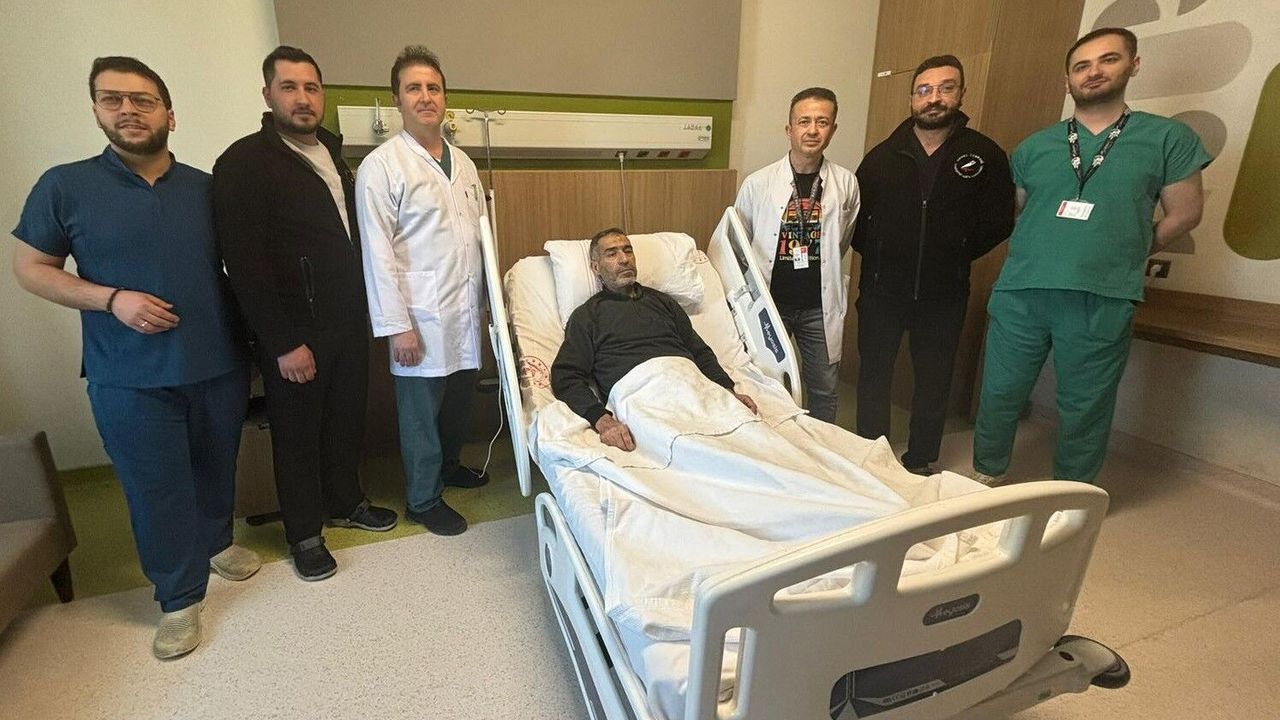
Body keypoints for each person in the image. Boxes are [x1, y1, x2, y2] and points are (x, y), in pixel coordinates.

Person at [11, 56, 259, 659]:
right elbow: (31, 268)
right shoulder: (65, 186)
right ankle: (178, 598)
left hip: (217, 363)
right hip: (128, 374)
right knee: (156, 489)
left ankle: (216, 543)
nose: (128, 110)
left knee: (216, 468)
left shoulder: (206, 188)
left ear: (169, 115)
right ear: (96, 110)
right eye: (113, 99)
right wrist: (110, 299)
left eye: (143, 100)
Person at [971, 27, 1210, 485]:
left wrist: (1126, 249)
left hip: (1102, 294)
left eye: (1108, 59)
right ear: (1068, 81)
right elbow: (1017, 214)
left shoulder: (1167, 138)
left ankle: (1071, 494)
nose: (1093, 71)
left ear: (1133, 65)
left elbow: (1185, 214)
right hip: (1023, 289)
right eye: (1081, 66)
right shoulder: (1033, 147)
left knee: (1085, 404)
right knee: (999, 392)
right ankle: (985, 474)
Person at [213, 46, 397, 581]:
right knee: (297, 435)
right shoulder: (244, 163)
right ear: (268, 94)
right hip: (295, 331)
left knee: (345, 422)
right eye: (289, 87)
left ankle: (345, 502)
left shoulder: (334, 156)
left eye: (311, 88)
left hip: (348, 320)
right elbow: (243, 264)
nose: (302, 98)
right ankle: (304, 534)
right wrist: (281, 342)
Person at [853, 55, 1015, 475]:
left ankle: (921, 457)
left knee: (934, 379)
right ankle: (872, 454)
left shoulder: (983, 155)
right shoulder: (881, 158)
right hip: (882, 290)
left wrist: (955, 253)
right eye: (924, 90)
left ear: (961, 94)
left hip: (944, 293)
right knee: (873, 376)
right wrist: (884, 257)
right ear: (912, 98)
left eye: (945, 88)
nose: (934, 98)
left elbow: (999, 220)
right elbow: (855, 222)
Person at [354, 46, 490, 537]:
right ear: (397, 99)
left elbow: (480, 239)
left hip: (464, 311)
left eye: (433, 88)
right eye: (414, 88)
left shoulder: (465, 164)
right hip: (419, 316)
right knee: (420, 415)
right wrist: (398, 327)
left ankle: (448, 467)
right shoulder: (381, 167)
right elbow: (377, 254)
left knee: (457, 402)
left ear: (445, 97)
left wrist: (489, 305)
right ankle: (423, 498)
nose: (425, 96)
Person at [551, 229, 757, 451]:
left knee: (750, 437)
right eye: (612, 254)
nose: (624, 259)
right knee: (691, 448)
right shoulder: (587, 316)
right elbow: (566, 376)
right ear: (596, 267)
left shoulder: (663, 302)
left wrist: (728, 391)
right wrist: (602, 420)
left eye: (628, 251)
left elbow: (699, 351)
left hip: (691, 384)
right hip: (641, 395)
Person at [734, 87, 860, 423]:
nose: (812, 130)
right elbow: (739, 243)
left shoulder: (846, 184)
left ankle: (820, 448)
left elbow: (842, 240)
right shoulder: (758, 183)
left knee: (824, 388)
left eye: (822, 122)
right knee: (766, 385)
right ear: (789, 129)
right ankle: (774, 447)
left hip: (819, 305)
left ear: (833, 129)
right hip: (771, 302)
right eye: (804, 122)